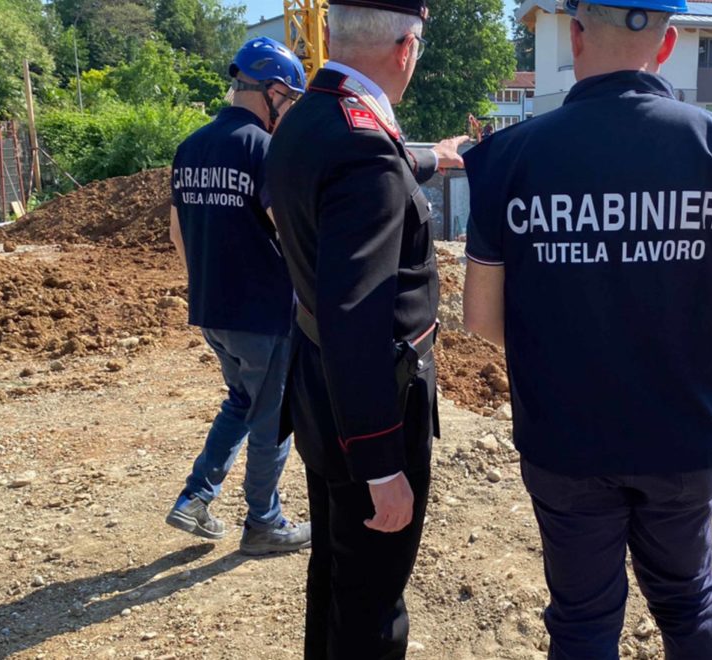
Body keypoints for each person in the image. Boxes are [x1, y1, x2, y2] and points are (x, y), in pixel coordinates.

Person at [461, 0, 712, 657]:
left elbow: (481, 318)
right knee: (688, 603)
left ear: (576, 35)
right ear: (667, 45)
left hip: (565, 443)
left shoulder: (509, 158)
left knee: (582, 622)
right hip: (682, 440)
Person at [264, 1, 467, 656]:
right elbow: (356, 315)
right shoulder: (365, 151)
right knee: (373, 602)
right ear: (406, 48)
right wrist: (382, 466)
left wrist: (434, 157)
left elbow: (372, 169)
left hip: (322, 392)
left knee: (335, 573)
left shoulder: (306, 117)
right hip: (371, 409)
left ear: (330, 34)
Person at [165, 36, 312, 557]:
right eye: (290, 99)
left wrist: (209, 283)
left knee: (242, 401)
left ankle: (195, 497)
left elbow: (177, 233)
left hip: (212, 309)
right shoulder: (264, 150)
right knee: (273, 419)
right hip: (263, 314)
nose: (288, 111)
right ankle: (264, 522)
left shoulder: (190, 148)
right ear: (273, 91)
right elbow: (287, 230)